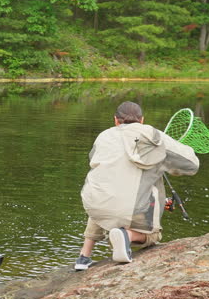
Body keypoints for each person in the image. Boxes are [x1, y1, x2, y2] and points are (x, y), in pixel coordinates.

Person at [75, 101, 199, 270]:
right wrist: (165, 161)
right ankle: (127, 235)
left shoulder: (103, 136)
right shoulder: (153, 135)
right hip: (128, 207)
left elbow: (95, 161)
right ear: (142, 120)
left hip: (93, 203)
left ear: (116, 120)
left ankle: (83, 257)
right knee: (154, 235)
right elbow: (192, 165)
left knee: (104, 194)